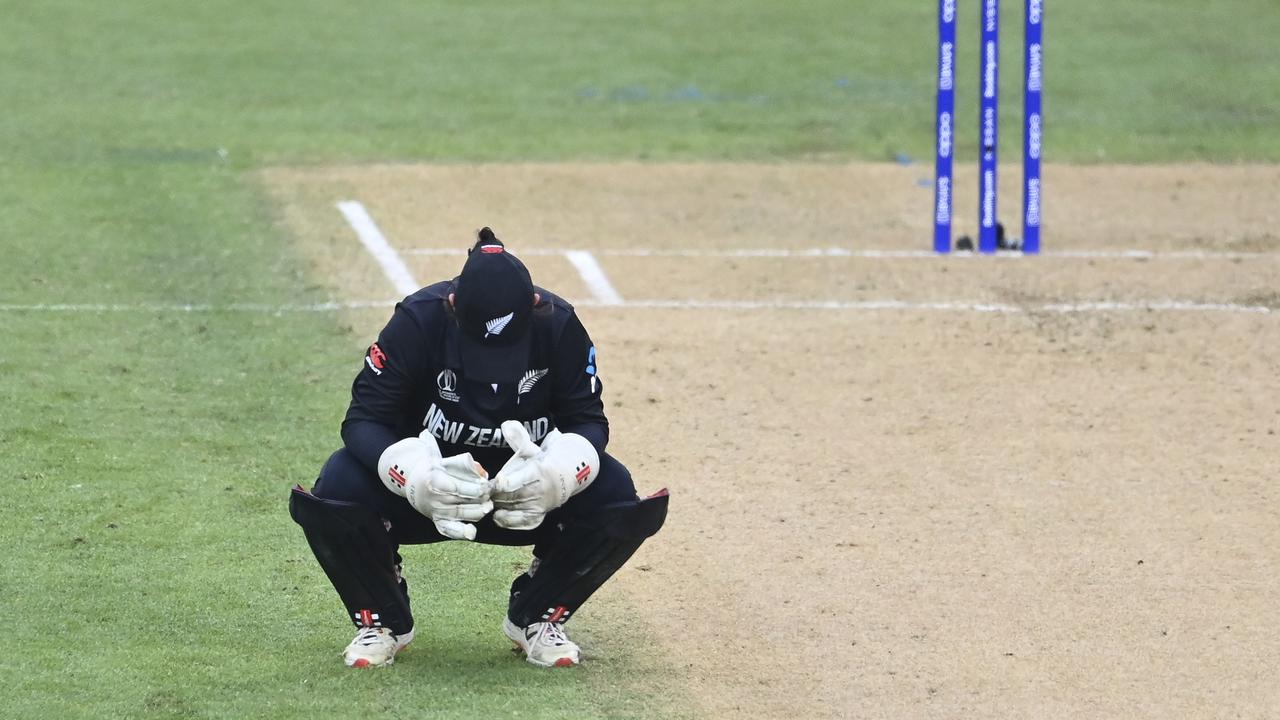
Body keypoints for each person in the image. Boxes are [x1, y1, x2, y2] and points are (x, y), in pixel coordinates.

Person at [289, 227, 667, 669]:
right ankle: (383, 619)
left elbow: (588, 420)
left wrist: (559, 476)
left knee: (617, 496)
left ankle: (538, 614)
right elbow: (363, 421)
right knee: (336, 488)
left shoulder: (560, 326)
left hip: (525, 495)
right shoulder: (416, 321)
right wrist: (412, 476)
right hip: (432, 493)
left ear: (534, 308)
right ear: (452, 307)